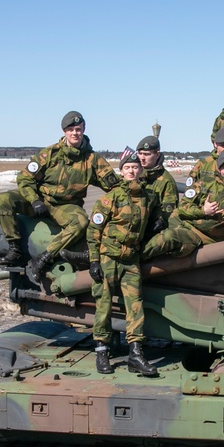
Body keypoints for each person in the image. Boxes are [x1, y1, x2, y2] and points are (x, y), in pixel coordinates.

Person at [0, 111, 118, 282]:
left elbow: (115, 187)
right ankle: (14, 248)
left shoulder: (92, 160)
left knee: (80, 222)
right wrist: (35, 200)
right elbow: (25, 178)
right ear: (64, 132)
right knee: (5, 199)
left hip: (65, 206)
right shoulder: (50, 154)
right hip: (40, 201)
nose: (75, 133)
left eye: (78, 129)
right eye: (71, 129)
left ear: (83, 130)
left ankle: (44, 258)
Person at [87, 152, 159, 377]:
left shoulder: (149, 197)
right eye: (127, 167)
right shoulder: (110, 198)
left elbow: (157, 213)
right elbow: (94, 230)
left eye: (135, 167)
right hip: (109, 258)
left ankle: (135, 355)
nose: (132, 171)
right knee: (104, 305)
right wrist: (94, 261)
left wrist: (159, 220)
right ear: (121, 171)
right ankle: (102, 352)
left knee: (135, 306)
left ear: (141, 170)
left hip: (131, 260)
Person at [144, 150, 224, 260]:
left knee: (168, 238)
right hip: (181, 222)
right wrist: (203, 211)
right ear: (219, 169)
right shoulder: (205, 183)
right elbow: (183, 207)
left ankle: (132, 261)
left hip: (201, 235)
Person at [136, 135, 179, 229]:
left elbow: (169, 215)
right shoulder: (134, 174)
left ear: (157, 154)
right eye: (140, 153)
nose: (142, 158)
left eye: (147, 154)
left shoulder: (166, 181)